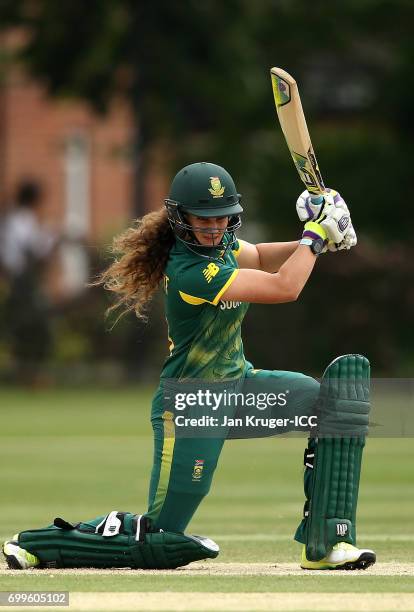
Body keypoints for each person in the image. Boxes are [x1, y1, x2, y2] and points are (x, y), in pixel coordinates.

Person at [2, 162, 375, 571]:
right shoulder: (191, 270)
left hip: (241, 389)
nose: (214, 228)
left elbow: (265, 257)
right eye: (203, 219)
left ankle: (328, 542)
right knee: (162, 537)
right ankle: (41, 543)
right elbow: (284, 286)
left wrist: (325, 238)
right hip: (192, 404)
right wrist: (316, 235)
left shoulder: (223, 246)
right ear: (181, 218)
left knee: (331, 406)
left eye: (222, 217)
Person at [0, 180, 57, 384]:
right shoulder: (23, 220)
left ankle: (27, 375)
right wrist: (52, 240)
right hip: (22, 283)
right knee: (36, 327)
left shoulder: (16, 219)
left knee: (26, 328)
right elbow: (31, 253)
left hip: (20, 281)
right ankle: (29, 375)